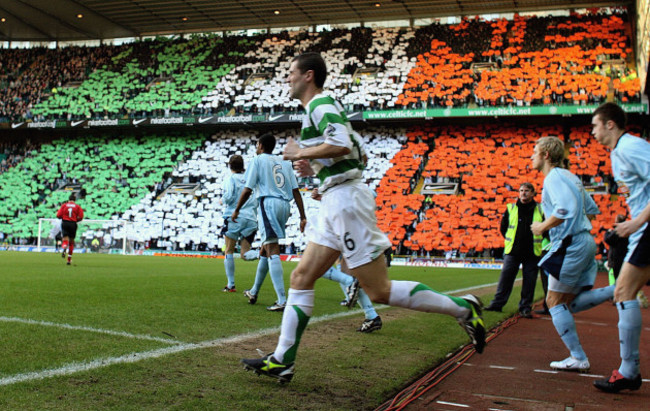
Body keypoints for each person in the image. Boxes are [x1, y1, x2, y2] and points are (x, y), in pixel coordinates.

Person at [241, 52, 485, 383]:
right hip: (334, 200)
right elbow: (359, 153)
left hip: (345, 202)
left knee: (379, 290)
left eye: (291, 73)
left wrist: (302, 153)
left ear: (308, 76)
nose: (287, 78)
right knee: (301, 277)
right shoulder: (323, 108)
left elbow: (340, 145)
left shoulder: (320, 105)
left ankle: (463, 308)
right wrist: (314, 168)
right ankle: (283, 360)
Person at [530, 136, 615, 374]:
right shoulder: (571, 176)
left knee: (553, 301)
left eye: (535, 152)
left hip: (571, 244)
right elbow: (591, 210)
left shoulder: (553, 178)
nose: (532, 156)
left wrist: (543, 227)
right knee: (568, 304)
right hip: (584, 240)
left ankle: (578, 357)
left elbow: (565, 209)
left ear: (546, 154)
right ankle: (615, 290)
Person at [591, 102, 650, 393]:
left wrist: (636, 222)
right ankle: (629, 370)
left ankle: (629, 371)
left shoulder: (630, 147)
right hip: (643, 228)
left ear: (610, 124)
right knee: (624, 291)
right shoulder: (618, 153)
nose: (592, 132)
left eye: (595, 125)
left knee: (624, 292)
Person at [233, 133, 307, 311]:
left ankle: (282, 300)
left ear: (260, 145)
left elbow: (248, 189)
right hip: (285, 205)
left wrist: (237, 209)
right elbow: (296, 190)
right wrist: (303, 216)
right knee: (265, 250)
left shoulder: (257, 161)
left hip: (268, 203)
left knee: (272, 248)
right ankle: (254, 291)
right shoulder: (285, 162)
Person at [485, 182, 544, 318]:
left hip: (532, 252)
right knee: (505, 279)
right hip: (513, 251)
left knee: (529, 282)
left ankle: (525, 307)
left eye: (527, 190)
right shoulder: (511, 208)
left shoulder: (540, 210)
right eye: (521, 190)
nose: (523, 193)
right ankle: (497, 304)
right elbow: (503, 228)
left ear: (533, 193)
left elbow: (545, 230)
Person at [221, 155, 258, 292]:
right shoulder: (250, 179)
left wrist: (222, 200)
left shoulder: (231, 179)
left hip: (235, 217)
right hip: (251, 218)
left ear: (230, 166)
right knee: (245, 254)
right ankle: (261, 253)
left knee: (229, 250)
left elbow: (229, 196)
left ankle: (231, 285)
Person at [56, 193, 84, 265]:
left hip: (65, 222)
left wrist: (63, 218)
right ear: (75, 200)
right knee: (71, 241)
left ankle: (64, 246)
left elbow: (58, 215)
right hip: (73, 223)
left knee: (65, 238)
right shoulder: (77, 207)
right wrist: (75, 220)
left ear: (69, 200)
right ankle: (69, 260)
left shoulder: (64, 205)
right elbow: (81, 217)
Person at [604, 214, 629, 285]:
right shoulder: (628, 231)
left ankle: (614, 294)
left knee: (614, 279)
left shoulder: (617, 231)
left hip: (615, 259)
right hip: (624, 258)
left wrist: (607, 232)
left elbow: (608, 239)